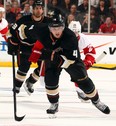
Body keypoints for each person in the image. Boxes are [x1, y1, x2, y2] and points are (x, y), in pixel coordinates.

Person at [8, 8, 110, 115]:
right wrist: (13, 40)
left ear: (64, 27)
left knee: (83, 80)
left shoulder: (71, 37)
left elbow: (70, 60)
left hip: (70, 60)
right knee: (50, 81)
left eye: (59, 28)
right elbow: (22, 29)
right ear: (49, 28)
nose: (57, 31)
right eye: (54, 28)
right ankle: (54, 104)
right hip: (52, 58)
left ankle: (96, 101)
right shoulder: (41, 30)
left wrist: (50, 55)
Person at [7, 0, 50, 95]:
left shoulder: (48, 21)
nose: (38, 10)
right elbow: (10, 32)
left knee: (43, 67)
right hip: (25, 47)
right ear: (32, 9)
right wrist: (11, 44)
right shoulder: (23, 20)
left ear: (43, 10)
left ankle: (30, 82)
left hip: (40, 48)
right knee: (23, 68)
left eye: (40, 8)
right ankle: (17, 86)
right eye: (36, 8)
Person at [68, 21, 96, 101]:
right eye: (73, 32)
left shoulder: (83, 38)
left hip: (73, 57)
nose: (75, 34)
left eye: (76, 32)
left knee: (79, 72)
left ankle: (80, 91)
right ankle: (33, 80)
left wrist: (88, 61)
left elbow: (91, 52)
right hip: (61, 57)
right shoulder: (63, 37)